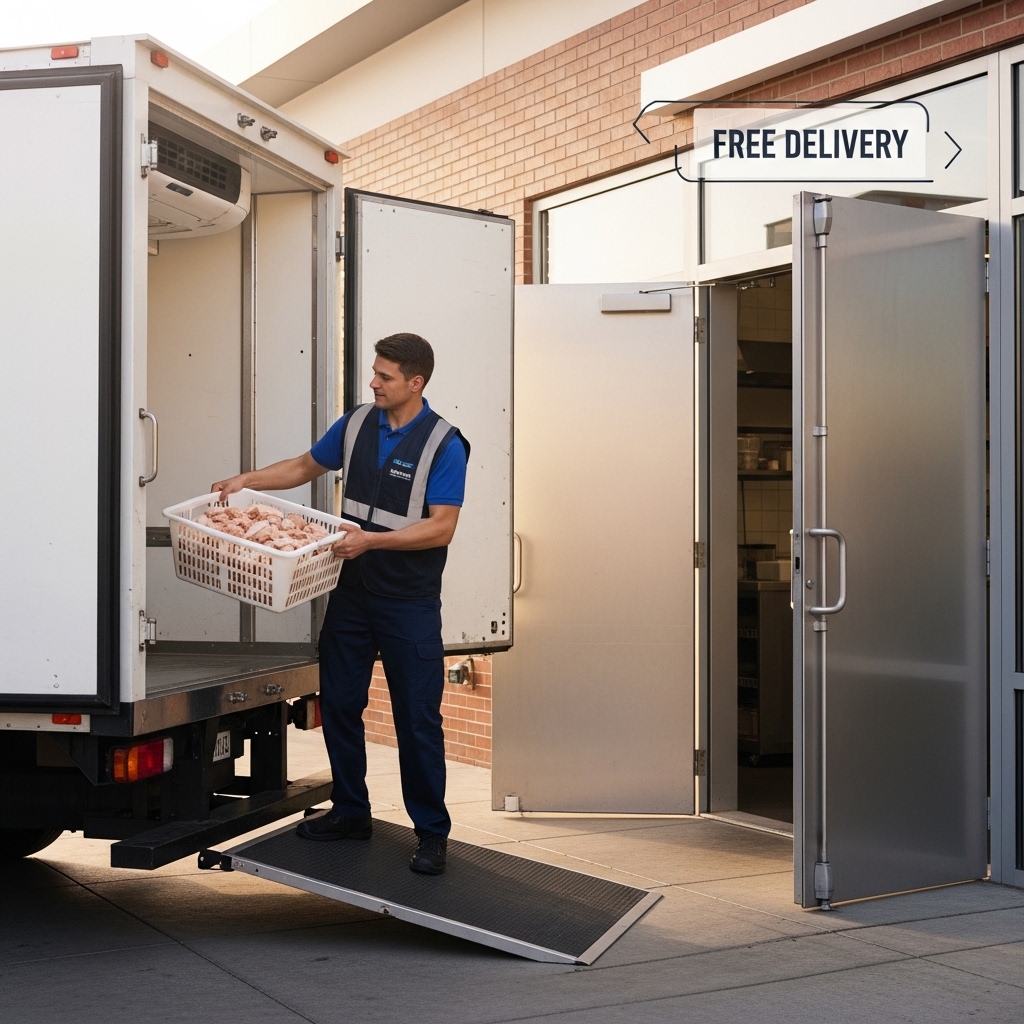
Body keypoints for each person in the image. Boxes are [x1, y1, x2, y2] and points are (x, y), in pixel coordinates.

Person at [213, 333, 468, 875]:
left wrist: (371, 541)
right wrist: (246, 481)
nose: (373, 382)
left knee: (417, 719)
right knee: (341, 705)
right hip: (352, 595)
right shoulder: (356, 423)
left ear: (415, 383)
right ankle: (351, 811)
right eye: (374, 373)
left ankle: (431, 834)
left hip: (409, 601)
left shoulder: (445, 444)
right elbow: (305, 466)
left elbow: (441, 528)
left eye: (385, 376)